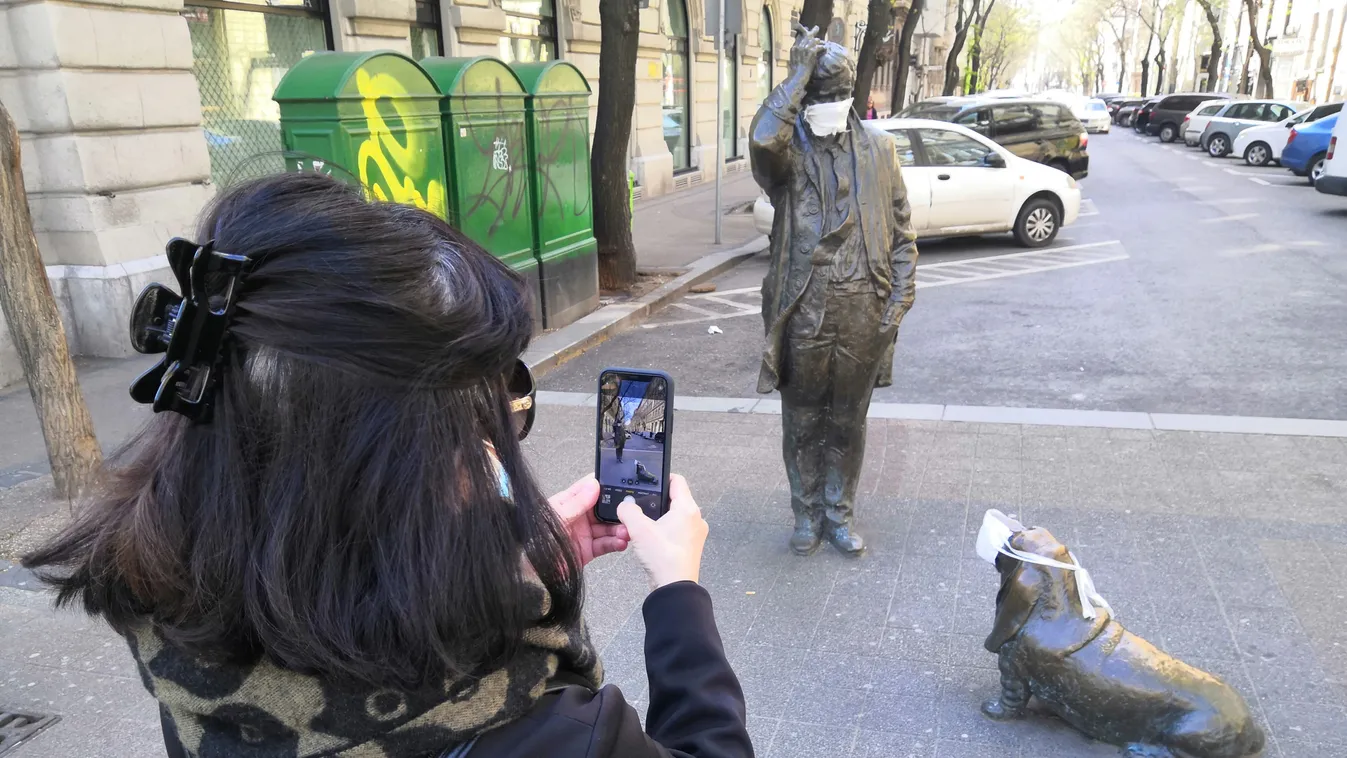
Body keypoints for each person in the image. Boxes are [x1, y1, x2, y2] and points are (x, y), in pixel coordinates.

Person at [22, 172, 752, 758]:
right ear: (390, 474)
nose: (494, 448)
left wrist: (524, 564)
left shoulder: (178, 633)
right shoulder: (546, 733)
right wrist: (677, 592)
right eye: (475, 424)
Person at [749, 27, 918, 557]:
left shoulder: (881, 152)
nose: (829, 105)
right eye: (818, 98)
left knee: (848, 421)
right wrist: (796, 77)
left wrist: (896, 307)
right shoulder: (788, 155)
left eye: (835, 95)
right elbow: (761, 141)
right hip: (805, 309)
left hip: (863, 311)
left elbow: (903, 237)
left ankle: (839, 513)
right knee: (801, 420)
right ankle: (806, 514)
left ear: (851, 95)